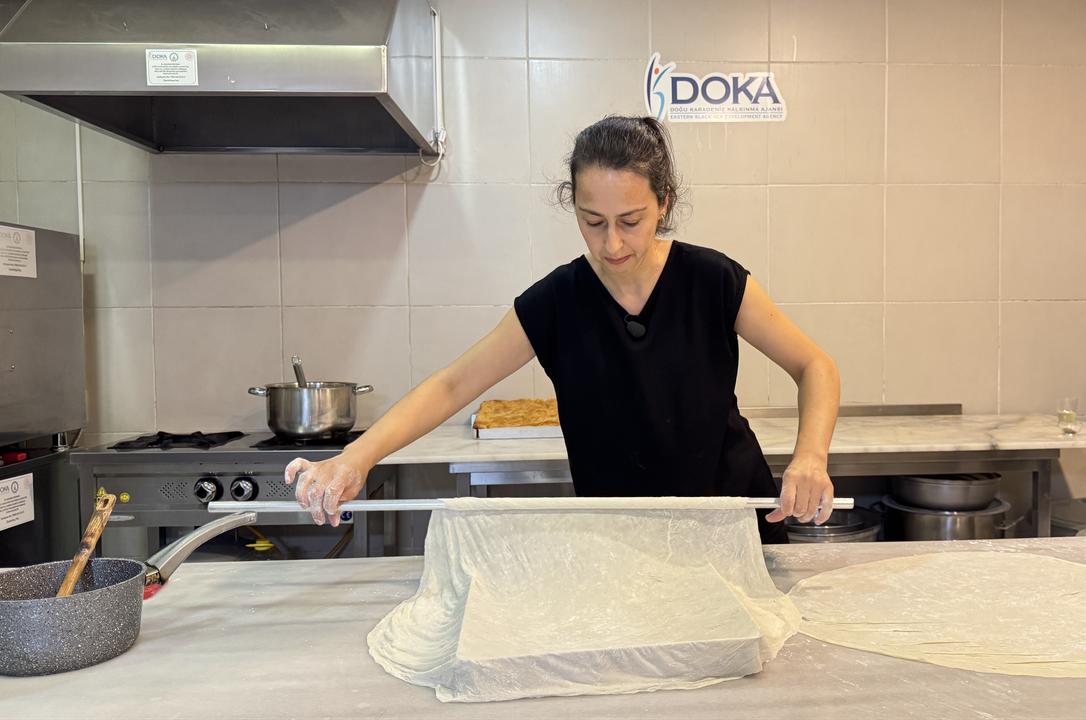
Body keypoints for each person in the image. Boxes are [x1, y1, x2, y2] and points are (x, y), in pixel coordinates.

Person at [285, 115, 840, 543]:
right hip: (619, 535)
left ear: (663, 202)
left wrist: (810, 456)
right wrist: (356, 456)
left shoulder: (713, 280)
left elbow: (814, 365)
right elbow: (453, 385)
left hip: (732, 524)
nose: (612, 244)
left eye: (632, 221)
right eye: (592, 221)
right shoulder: (559, 301)